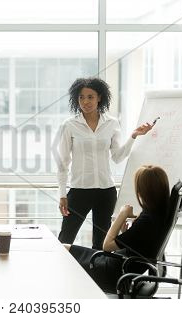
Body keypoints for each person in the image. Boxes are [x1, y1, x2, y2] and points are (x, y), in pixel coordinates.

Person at [55, 77, 153, 249]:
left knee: (101, 245)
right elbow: (63, 162)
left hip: (105, 192)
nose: (85, 101)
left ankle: (97, 276)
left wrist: (134, 136)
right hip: (79, 191)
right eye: (81, 97)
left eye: (90, 97)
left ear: (99, 97)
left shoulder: (112, 123)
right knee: (65, 238)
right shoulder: (69, 125)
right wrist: (62, 194)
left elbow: (117, 156)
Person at [64, 165, 171, 293]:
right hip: (116, 264)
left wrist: (122, 214)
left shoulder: (146, 220)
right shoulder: (157, 213)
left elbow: (107, 246)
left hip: (112, 273)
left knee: (62, 254)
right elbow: (142, 243)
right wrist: (125, 234)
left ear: (143, 191)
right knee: (63, 249)